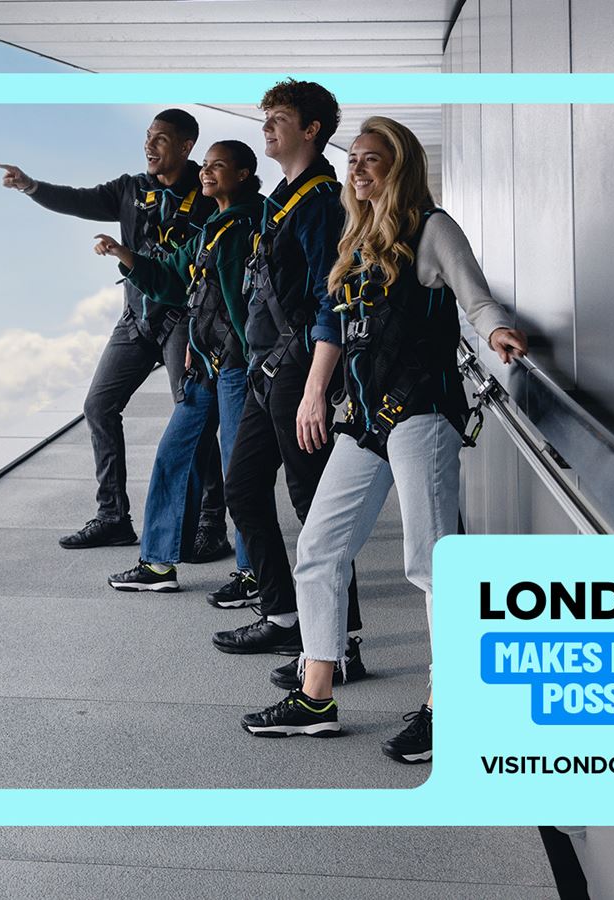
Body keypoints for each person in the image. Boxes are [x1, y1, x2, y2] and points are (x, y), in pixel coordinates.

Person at [239, 116, 529, 766]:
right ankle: (316, 695)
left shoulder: (432, 228)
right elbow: (337, 330)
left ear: (399, 168)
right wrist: (317, 391)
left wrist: (498, 332)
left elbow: (474, 298)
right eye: (356, 160)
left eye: (373, 160)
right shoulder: (356, 241)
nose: (359, 169)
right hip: (364, 417)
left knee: (431, 565)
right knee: (317, 548)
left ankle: (451, 706)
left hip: (423, 411)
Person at [0, 110, 232, 562]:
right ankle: (113, 518)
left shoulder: (205, 192)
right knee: (98, 406)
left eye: (161, 139)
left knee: (193, 421)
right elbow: (78, 200)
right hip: (136, 319)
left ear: (185, 147)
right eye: (148, 137)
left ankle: (210, 524)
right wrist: (30, 186)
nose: (150, 146)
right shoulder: (130, 189)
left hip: (184, 319)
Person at [207, 79, 365, 683]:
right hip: (265, 371)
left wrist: (315, 390)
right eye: (265, 117)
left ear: (311, 130)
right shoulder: (285, 196)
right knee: (243, 488)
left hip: (298, 373)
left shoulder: (322, 201)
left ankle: (343, 646)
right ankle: (283, 615)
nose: (267, 127)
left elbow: (332, 299)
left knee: (315, 509)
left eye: (279, 118)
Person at [88, 141, 262, 591]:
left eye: (217, 166)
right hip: (206, 363)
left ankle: (252, 571)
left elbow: (256, 303)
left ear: (243, 174)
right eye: (204, 166)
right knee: (173, 454)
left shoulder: (255, 223)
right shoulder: (213, 227)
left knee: (236, 468)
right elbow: (174, 275)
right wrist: (123, 253)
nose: (205, 172)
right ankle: (157, 564)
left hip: (239, 368)